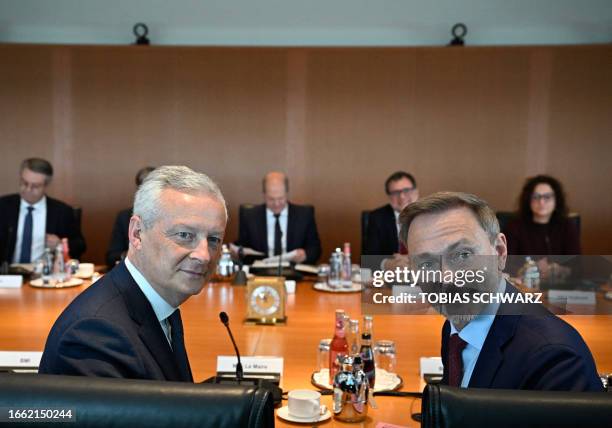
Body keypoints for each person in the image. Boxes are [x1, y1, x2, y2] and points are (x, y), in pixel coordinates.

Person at [39, 166, 227, 381]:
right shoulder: (94, 333)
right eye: (184, 235)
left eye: (213, 239)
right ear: (137, 234)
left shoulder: (159, 299)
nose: (204, 255)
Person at [399, 191, 602, 391]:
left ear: (500, 252)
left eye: (462, 255)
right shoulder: (455, 326)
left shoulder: (556, 360)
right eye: (426, 264)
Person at [0, 158, 86, 265]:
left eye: (35, 186)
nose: (28, 189)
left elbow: (80, 245)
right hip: (7, 276)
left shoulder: (61, 211)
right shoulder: (3, 207)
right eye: (24, 183)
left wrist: (60, 244)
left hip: (45, 275)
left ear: (46, 186)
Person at [235, 171, 321, 264]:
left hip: (294, 272)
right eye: (271, 199)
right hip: (260, 274)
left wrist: (305, 255)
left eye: (281, 198)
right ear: (264, 195)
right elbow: (241, 247)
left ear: (287, 193)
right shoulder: (250, 216)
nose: (276, 204)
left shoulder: (304, 215)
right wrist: (237, 251)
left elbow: (316, 249)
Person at [504, 174, 580, 255]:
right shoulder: (514, 227)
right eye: (536, 197)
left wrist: (554, 267)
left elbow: (575, 263)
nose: (541, 202)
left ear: (557, 200)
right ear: (528, 200)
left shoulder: (567, 226)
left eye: (547, 197)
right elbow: (507, 263)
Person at [106, 166, 156, 267]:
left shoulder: (170, 217)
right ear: (138, 191)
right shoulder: (124, 217)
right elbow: (111, 257)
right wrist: (131, 255)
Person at [363, 171, 419, 256]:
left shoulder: (430, 215)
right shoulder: (377, 218)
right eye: (395, 193)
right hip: (391, 269)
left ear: (416, 192)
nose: (402, 196)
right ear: (389, 197)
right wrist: (387, 264)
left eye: (406, 190)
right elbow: (368, 260)